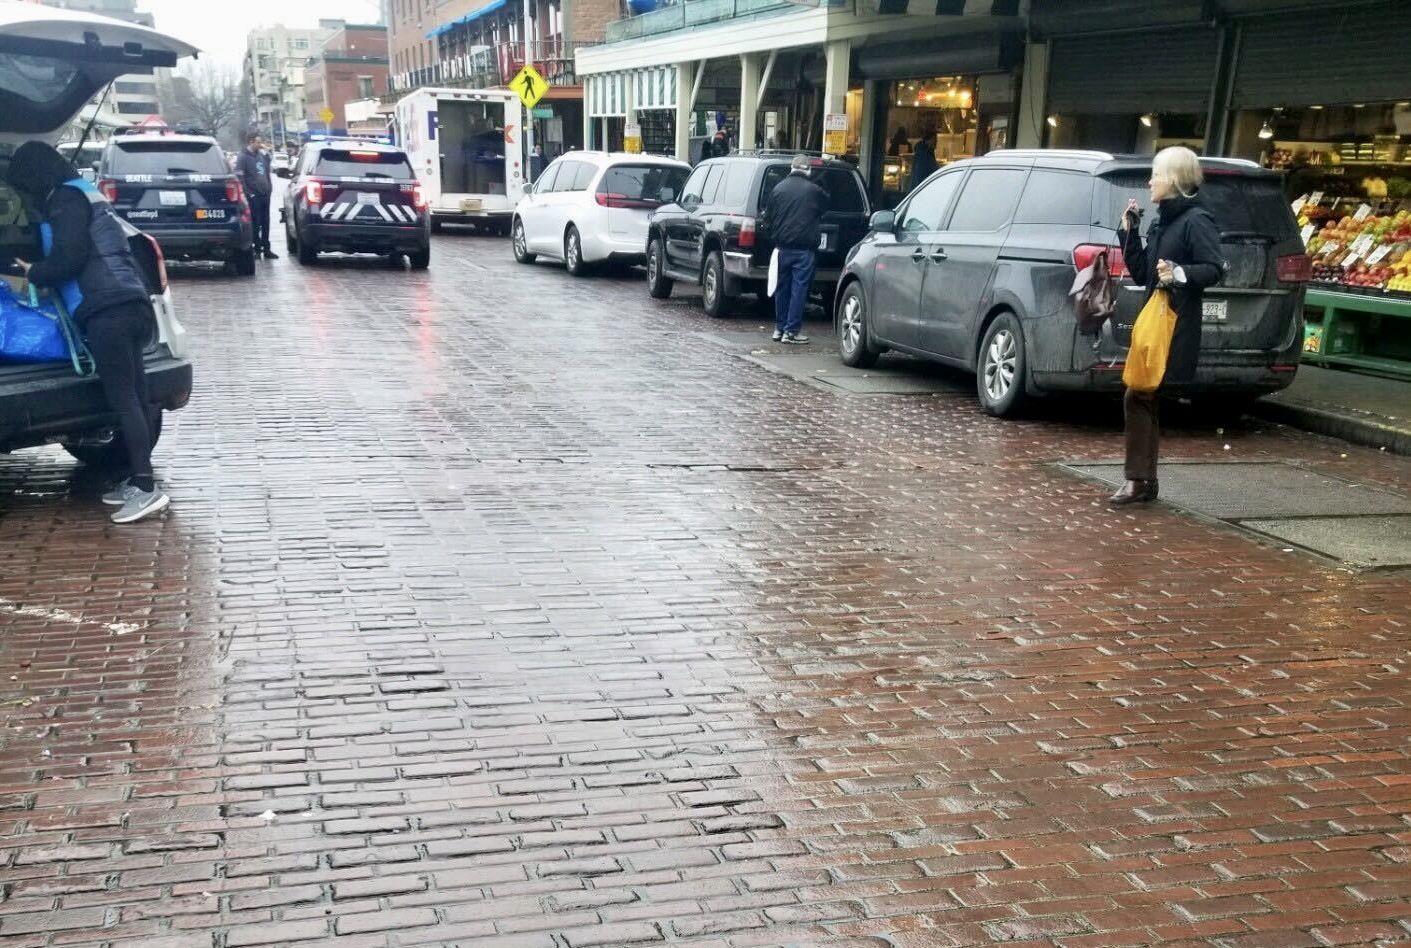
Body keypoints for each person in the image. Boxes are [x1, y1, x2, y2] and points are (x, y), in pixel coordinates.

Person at [5, 142, 170, 523]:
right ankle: (137, 479)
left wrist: (35, 272)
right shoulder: (83, 192)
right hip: (131, 301)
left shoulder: (63, 199)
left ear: (33, 174)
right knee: (138, 394)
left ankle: (146, 489)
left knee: (124, 398)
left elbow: (70, 257)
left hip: (106, 308)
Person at [1110, 145, 1225, 506]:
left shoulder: (1196, 220)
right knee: (1144, 395)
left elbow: (1214, 268)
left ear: (1173, 181)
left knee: (1140, 395)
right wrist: (1129, 232)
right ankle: (1144, 480)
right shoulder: (1164, 219)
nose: (1150, 182)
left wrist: (1179, 273)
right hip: (1156, 320)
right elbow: (1144, 272)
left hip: (1175, 325)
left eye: (1156, 175)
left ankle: (1139, 480)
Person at [764, 154, 827, 345]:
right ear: (808, 170)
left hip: (781, 248)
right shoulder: (814, 190)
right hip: (803, 250)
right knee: (798, 291)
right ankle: (791, 331)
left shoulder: (777, 189)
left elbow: (768, 220)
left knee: (782, 289)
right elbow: (825, 205)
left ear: (791, 168)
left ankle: (779, 328)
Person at [236, 132, 276, 260]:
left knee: (266, 222)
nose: (260, 145)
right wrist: (249, 194)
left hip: (265, 194)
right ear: (251, 142)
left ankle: (267, 248)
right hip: (254, 195)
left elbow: (266, 172)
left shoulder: (261, 156)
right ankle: (257, 249)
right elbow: (240, 178)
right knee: (255, 222)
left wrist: (269, 188)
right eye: (258, 142)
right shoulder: (243, 157)